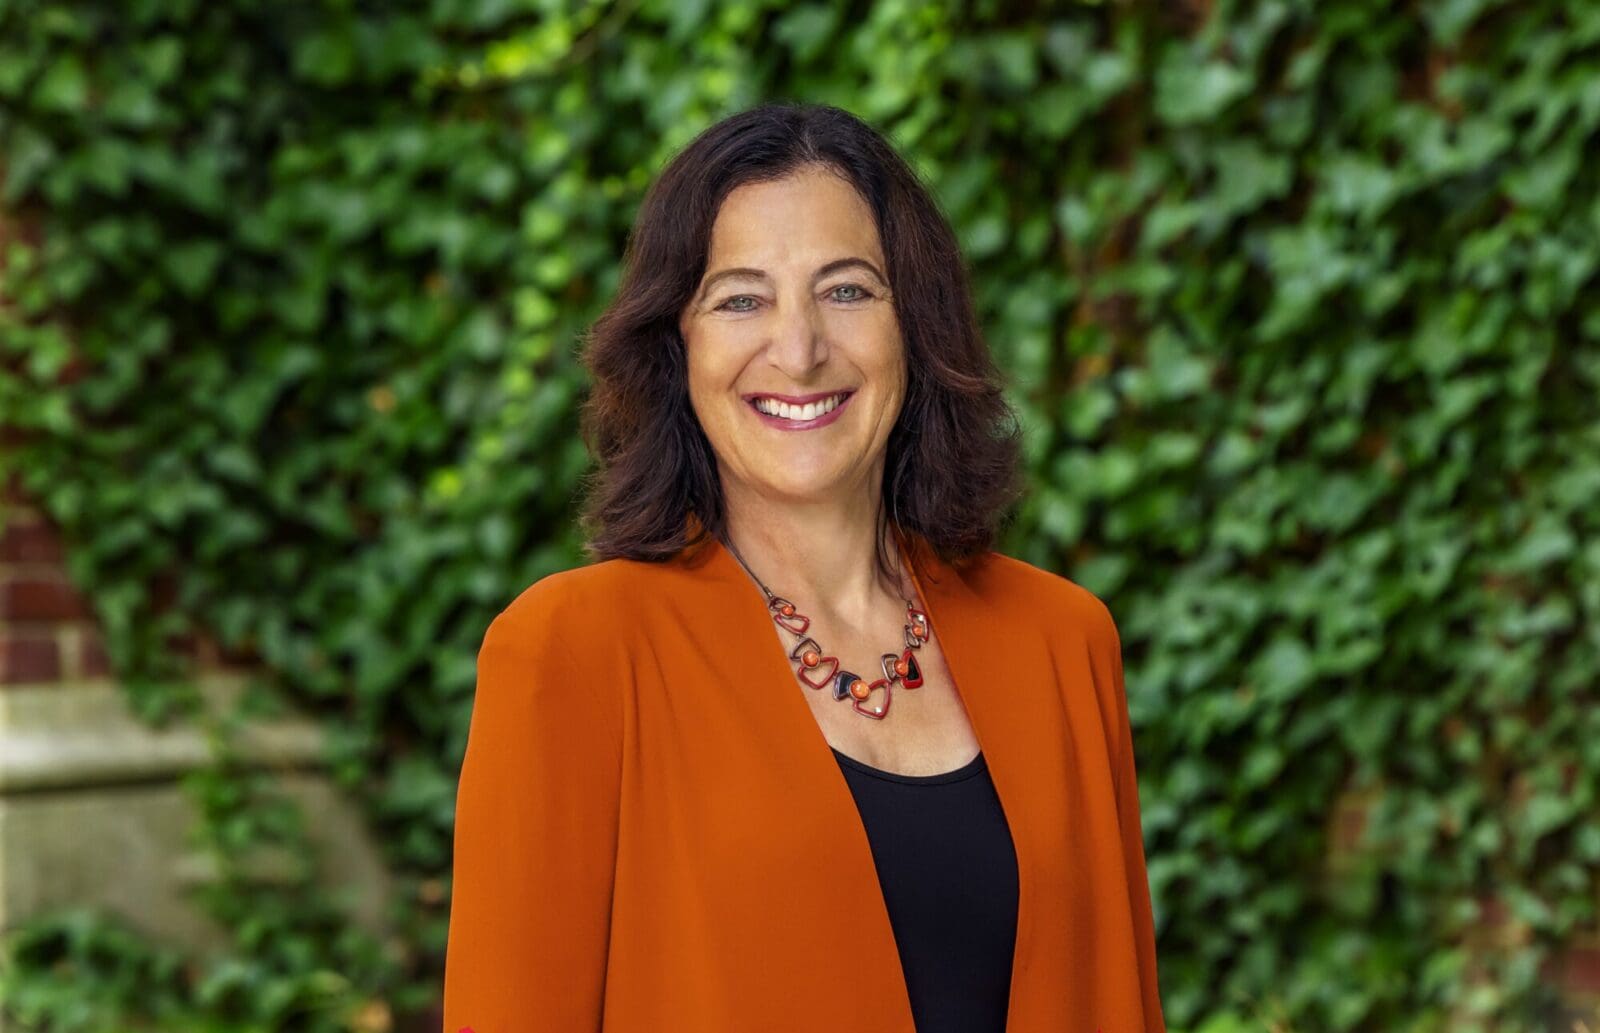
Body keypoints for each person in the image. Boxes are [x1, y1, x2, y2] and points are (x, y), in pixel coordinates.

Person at [442, 101, 1165, 1033]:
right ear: (679, 345)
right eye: (741, 298)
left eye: (848, 290)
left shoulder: (1063, 640)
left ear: (917, 325)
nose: (799, 349)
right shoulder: (573, 651)